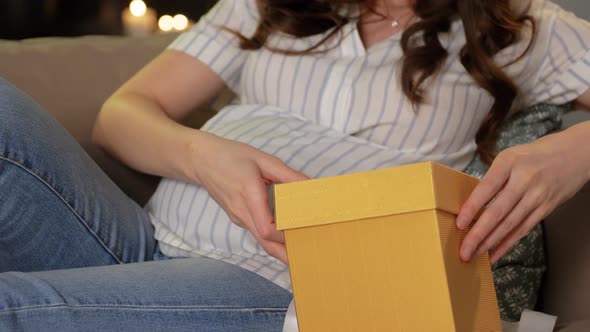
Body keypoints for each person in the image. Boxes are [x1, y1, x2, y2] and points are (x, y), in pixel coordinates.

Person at [1, 0, 589, 330]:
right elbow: (121, 116)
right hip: (141, 238)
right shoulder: (263, 5)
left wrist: (572, 151)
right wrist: (204, 156)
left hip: (281, 281)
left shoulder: (517, 24)